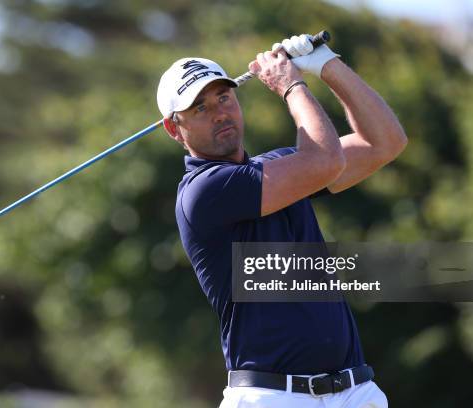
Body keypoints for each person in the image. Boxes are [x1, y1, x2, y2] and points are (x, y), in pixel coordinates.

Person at [156, 34, 407, 408]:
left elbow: (385, 142)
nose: (220, 113)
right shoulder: (203, 191)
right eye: (200, 109)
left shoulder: (282, 167)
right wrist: (291, 84)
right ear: (174, 129)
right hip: (272, 396)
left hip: (354, 391)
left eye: (224, 97)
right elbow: (324, 162)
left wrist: (328, 65)